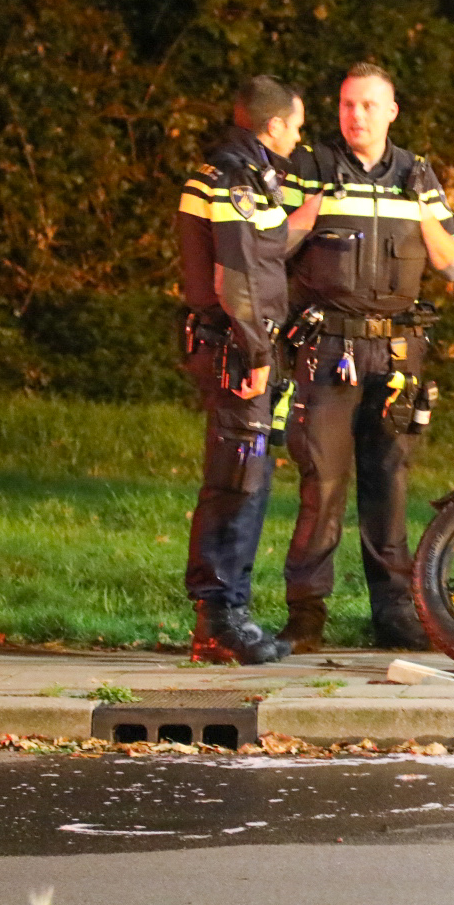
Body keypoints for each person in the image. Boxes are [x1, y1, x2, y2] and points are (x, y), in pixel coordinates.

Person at [277, 63, 454, 653]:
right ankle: (307, 616)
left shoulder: (418, 173)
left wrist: (425, 211)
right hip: (328, 349)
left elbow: (453, 261)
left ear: (391, 112)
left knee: (389, 484)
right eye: (346, 105)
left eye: (367, 106)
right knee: (324, 483)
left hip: (396, 353)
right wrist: (307, 213)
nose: (355, 116)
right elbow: (271, 246)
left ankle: (395, 616)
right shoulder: (309, 167)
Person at [177, 75, 315, 664]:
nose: (301, 135)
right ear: (274, 124)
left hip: (244, 346)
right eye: (298, 125)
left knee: (248, 479)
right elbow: (233, 278)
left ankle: (231, 612)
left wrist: (302, 220)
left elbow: (262, 251)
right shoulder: (230, 181)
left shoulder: (249, 177)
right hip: (237, 350)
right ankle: (219, 620)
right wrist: (257, 353)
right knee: (236, 480)